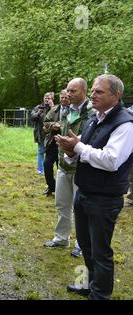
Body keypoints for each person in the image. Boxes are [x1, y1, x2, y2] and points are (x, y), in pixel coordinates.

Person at [56, 74, 133, 300]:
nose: (93, 95)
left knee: (101, 252)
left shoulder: (125, 123)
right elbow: (82, 149)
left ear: (116, 95)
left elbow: (111, 161)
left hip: (105, 198)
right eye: (93, 91)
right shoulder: (94, 118)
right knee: (87, 247)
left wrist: (78, 147)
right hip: (85, 192)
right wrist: (70, 151)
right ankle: (89, 284)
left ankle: (100, 295)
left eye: (99, 91)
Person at [44, 80, 91, 258]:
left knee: (80, 207)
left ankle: (81, 243)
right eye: (68, 91)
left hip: (82, 167)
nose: (69, 94)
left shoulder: (92, 112)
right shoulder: (66, 111)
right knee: (62, 203)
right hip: (63, 164)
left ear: (84, 91)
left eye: (73, 91)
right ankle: (61, 237)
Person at [42, 90, 70, 196]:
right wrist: (53, 125)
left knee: (61, 167)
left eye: (66, 97)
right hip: (53, 142)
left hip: (66, 143)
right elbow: (45, 123)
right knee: (47, 164)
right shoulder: (54, 109)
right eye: (61, 97)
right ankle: (51, 186)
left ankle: (61, 189)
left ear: (69, 98)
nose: (63, 99)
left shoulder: (73, 110)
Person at [30, 93, 53, 175]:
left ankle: (47, 169)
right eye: (45, 98)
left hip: (51, 134)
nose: (47, 99)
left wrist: (52, 107)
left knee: (50, 152)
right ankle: (40, 169)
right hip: (40, 133)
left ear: (52, 99)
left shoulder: (54, 108)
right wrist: (38, 113)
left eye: (49, 98)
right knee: (40, 151)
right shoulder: (38, 107)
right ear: (43, 98)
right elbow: (32, 117)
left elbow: (59, 118)